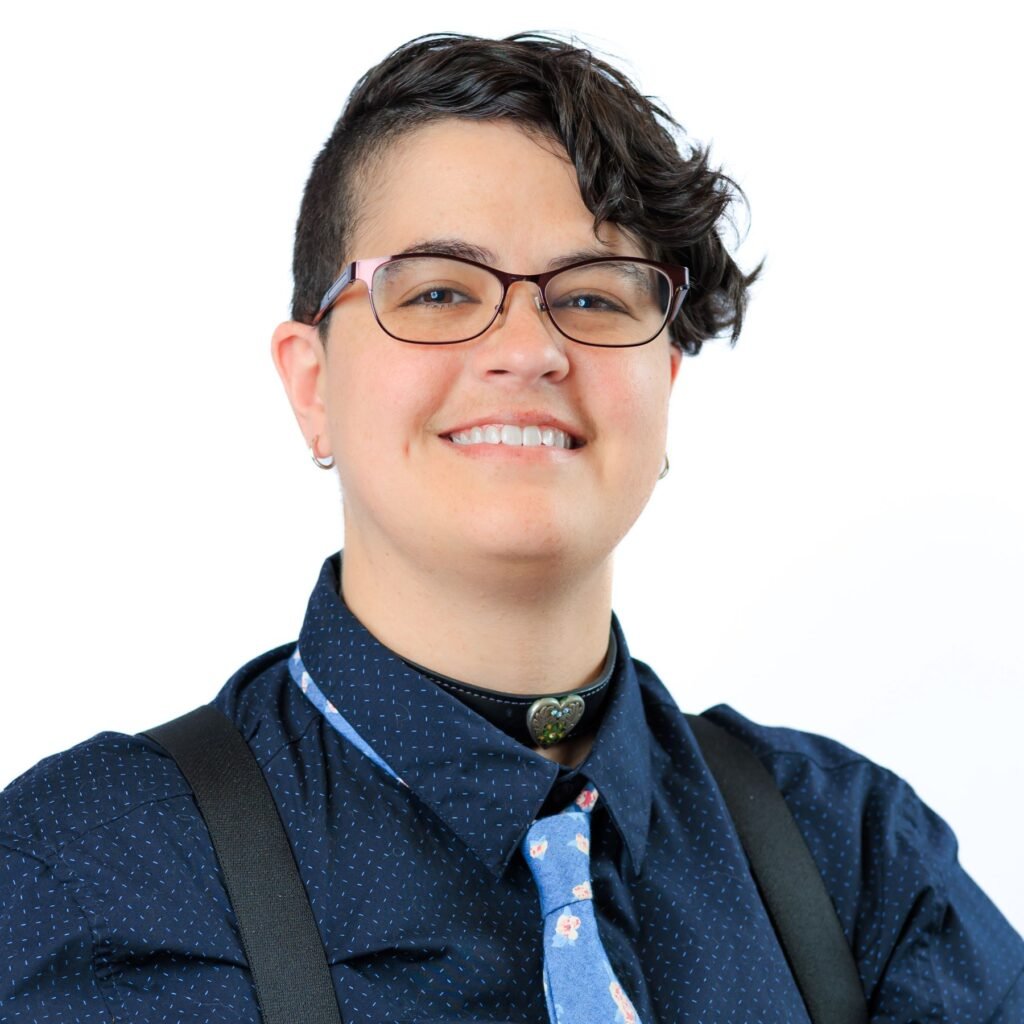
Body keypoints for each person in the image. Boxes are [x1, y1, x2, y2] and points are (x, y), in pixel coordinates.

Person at [1, 31, 1021, 1023]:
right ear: (311, 386)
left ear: (664, 388)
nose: (528, 349)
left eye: (592, 298)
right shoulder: (89, 872)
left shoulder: (855, 857)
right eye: (440, 291)